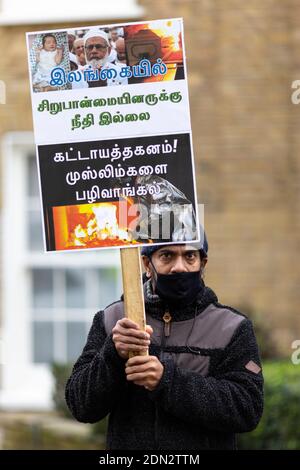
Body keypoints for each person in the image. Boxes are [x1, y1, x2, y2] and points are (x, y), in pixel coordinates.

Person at [65, 232, 264, 450]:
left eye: (189, 256)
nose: (179, 267)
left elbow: (247, 409)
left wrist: (167, 381)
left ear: (202, 263)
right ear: (147, 264)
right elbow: (80, 405)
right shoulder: (112, 320)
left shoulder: (232, 327)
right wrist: (113, 355)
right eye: (167, 255)